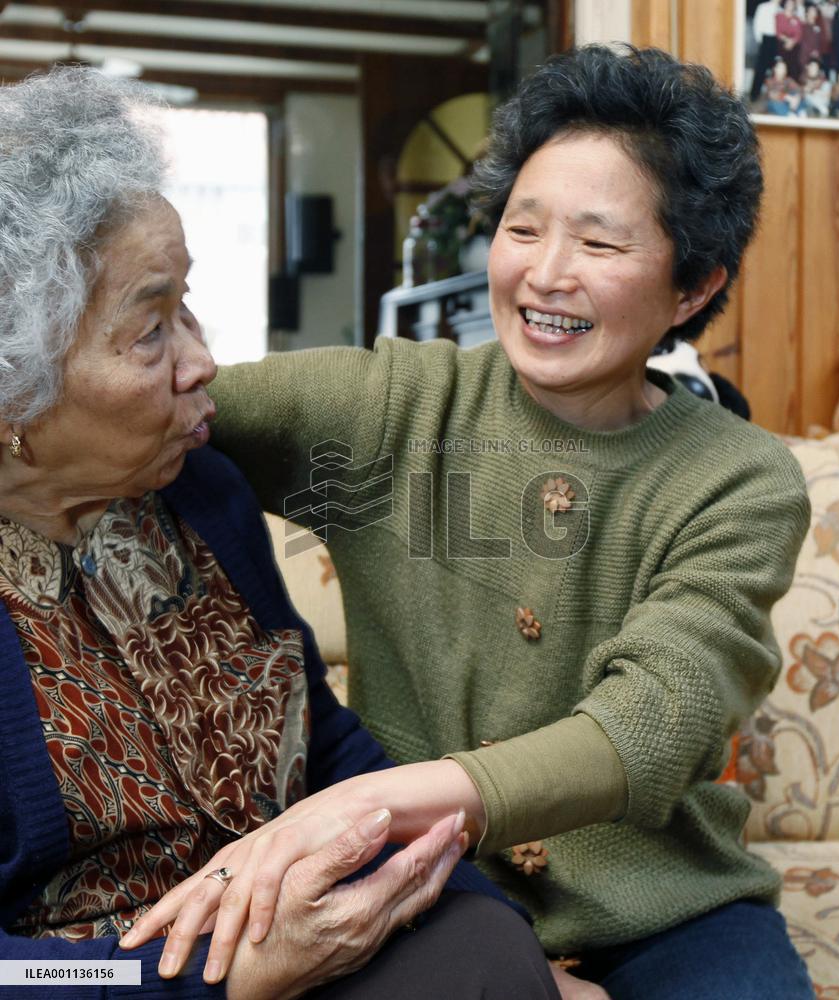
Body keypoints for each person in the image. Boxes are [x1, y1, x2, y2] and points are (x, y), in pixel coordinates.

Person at [133, 45, 816, 999]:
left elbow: (655, 725)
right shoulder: (389, 408)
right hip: (423, 894)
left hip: (668, 910)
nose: (545, 273)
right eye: (521, 228)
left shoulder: (737, 477)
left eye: (600, 243)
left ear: (691, 287)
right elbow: (157, 404)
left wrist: (372, 799)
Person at [0, 66, 567, 1000]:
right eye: (149, 332)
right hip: (107, 979)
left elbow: (327, 741)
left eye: (186, 302)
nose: (202, 359)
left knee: (489, 957)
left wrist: (451, 888)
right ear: (18, 388)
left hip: (313, 933)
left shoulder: (202, 494)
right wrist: (217, 984)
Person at [750, 0, 782, 100]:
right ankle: (754, 94)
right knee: (761, 68)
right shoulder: (763, 7)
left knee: (776, 68)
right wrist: (760, 40)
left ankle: (772, 95)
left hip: (777, 40)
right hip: (766, 39)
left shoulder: (781, 9)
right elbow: (757, 23)